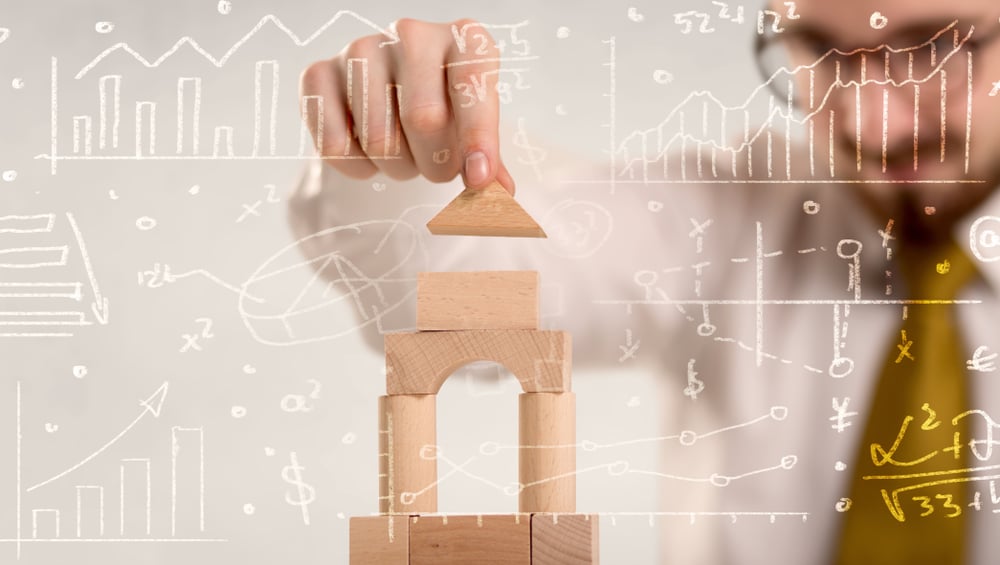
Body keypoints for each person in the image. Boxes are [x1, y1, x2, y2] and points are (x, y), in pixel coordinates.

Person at [289, 1, 1000, 563]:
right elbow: (441, 303)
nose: (871, 121)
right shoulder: (730, 215)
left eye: (934, 49)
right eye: (817, 49)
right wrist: (396, 146)